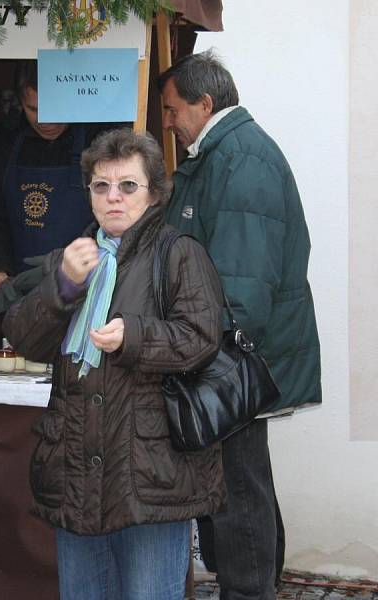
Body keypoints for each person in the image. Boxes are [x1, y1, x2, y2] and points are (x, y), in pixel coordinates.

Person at [2, 129, 227, 600]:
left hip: (150, 470)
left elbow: (202, 340)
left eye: (128, 186)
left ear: (155, 194)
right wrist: (63, 287)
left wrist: (136, 336)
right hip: (77, 465)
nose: (113, 198)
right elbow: (23, 336)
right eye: (101, 186)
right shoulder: (74, 255)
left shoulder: (178, 252)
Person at [158, 50, 322, 600]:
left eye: (173, 109)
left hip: (236, 358)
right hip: (240, 353)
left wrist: (205, 354)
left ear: (205, 104)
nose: (169, 122)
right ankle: (258, 585)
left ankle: (250, 592)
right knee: (245, 483)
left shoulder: (241, 159)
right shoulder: (227, 153)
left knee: (235, 490)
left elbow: (244, 282)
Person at [0, 60, 105, 311]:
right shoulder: (4, 142)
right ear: (20, 101)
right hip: (22, 293)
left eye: (56, 108)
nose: (46, 120)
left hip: (87, 287)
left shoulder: (98, 141)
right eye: (34, 109)